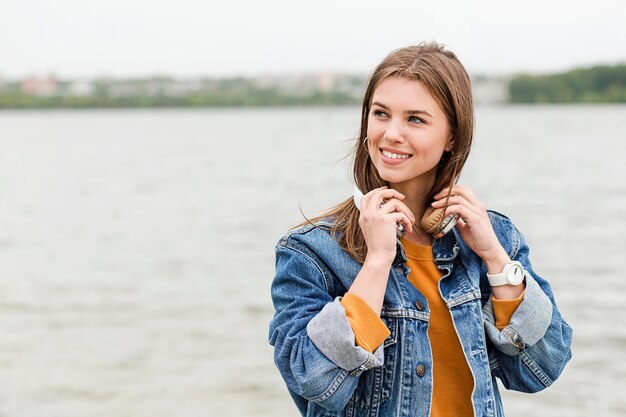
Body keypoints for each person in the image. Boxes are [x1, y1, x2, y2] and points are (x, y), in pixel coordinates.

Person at [268, 43, 572, 417]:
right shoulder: (311, 252)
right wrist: (378, 261)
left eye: (415, 119)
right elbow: (311, 381)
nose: (392, 133)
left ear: (452, 138)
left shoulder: (495, 238)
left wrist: (494, 257)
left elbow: (543, 368)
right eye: (381, 114)